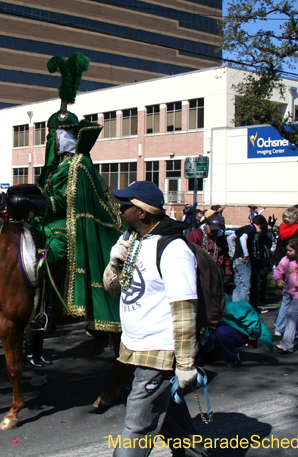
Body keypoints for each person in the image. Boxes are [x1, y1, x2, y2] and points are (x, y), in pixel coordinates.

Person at [102, 181, 206, 456]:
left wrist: (185, 363)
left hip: (159, 350)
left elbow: (185, 309)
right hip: (135, 347)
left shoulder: (173, 249)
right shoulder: (130, 240)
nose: (120, 209)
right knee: (170, 417)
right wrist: (115, 262)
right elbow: (112, 289)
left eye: (125, 205)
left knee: (137, 424)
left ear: (142, 212)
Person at [29, 53, 123, 336]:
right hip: (45, 220)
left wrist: (39, 202)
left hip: (67, 228)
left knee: (52, 251)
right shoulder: (54, 166)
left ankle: (48, 312)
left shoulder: (78, 163)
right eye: (52, 135)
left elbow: (69, 202)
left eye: (58, 134)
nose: (54, 140)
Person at [227, 215, 272, 306]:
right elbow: (243, 238)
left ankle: (235, 306)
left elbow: (229, 238)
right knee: (244, 285)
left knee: (237, 284)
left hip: (237, 259)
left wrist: (234, 251)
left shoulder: (244, 228)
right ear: (260, 225)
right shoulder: (251, 230)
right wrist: (246, 254)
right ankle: (244, 307)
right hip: (244, 261)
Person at [187, 213, 232, 280]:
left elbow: (225, 256)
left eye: (216, 230)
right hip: (199, 272)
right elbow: (189, 253)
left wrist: (228, 274)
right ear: (206, 225)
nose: (214, 232)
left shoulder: (220, 237)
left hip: (215, 272)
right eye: (212, 229)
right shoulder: (196, 234)